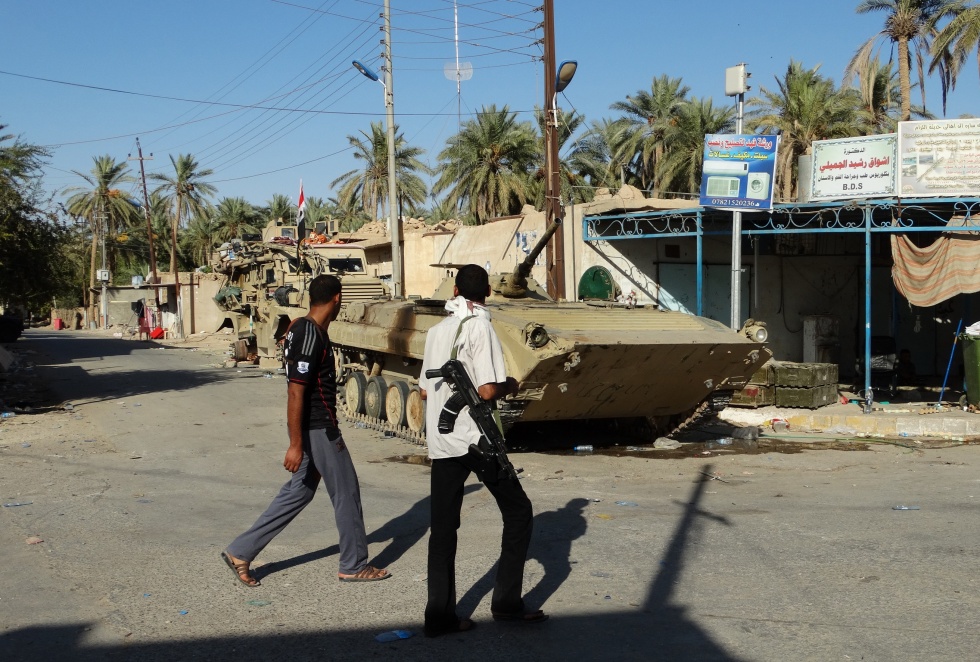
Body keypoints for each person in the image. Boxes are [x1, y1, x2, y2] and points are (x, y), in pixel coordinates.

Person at [221, 274, 389, 586]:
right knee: (347, 491)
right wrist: (295, 444)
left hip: (310, 428)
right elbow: (296, 391)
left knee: (299, 491)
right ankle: (353, 564)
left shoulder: (301, 328)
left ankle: (240, 552)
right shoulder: (310, 333)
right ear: (337, 299)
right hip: (319, 428)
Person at [418, 264, 546, 638]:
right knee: (519, 512)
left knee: (443, 529)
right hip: (476, 441)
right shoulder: (479, 325)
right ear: (488, 292)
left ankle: (438, 617)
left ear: (455, 291)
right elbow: (488, 390)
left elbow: (424, 390)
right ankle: (506, 602)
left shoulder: (437, 331)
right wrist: (511, 384)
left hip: (443, 442)